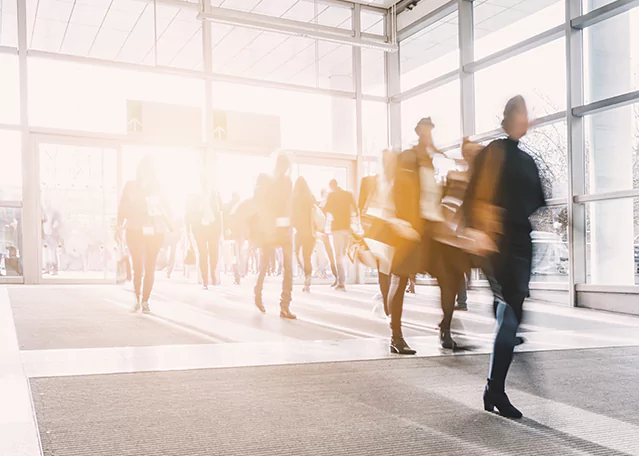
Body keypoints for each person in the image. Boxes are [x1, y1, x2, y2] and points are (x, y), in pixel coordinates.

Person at [464, 95, 545, 418]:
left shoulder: (526, 159)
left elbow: (537, 200)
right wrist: (480, 230)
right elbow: (474, 195)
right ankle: (495, 389)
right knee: (510, 312)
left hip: (521, 243)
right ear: (511, 117)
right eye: (523, 113)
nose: (527, 119)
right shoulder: (494, 152)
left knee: (511, 312)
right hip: (497, 243)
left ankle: (493, 388)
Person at [117, 156, 172, 313]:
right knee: (138, 267)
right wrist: (119, 225)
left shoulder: (159, 188)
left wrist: (170, 223)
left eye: (149, 169)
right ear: (139, 170)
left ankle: (146, 300)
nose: (146, 172)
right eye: (143, 169)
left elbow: (167, 208)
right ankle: (137, 298)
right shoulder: (131, 186)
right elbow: (122, 206)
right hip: (135, 230)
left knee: (149, 268)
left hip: (154, 231)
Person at [253, 153, 296, 319]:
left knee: (266, 266)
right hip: (281, 228)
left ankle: (259, 295)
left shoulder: (270, 181)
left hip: (272, 229)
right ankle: (284, 306)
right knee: (287, 268)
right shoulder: (282, 182)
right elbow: (287, 205)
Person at [186, 175, 223, 290]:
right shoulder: (193, 197)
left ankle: (212, 272)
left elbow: (221, 211)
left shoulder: (215, 195)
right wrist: (188, 229)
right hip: (199, 228)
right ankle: (205, 280)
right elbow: (188, 213)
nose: (204, 186)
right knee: (203, 253)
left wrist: (221, 229)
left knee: (214, 253)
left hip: (213, 228)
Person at [323, 179, 357, 291]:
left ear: (331, 186)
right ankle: (344, 278)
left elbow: (325, 209)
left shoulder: (331, 195)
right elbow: (355, 210)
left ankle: (341, 282)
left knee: (338, 255)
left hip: (336, 228)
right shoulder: (348, 194)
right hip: (347, 227)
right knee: (343, 253)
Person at [293, 176, 317, 293]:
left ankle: (305, 274)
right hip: (311, 233)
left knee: (297, 254)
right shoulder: (311, 198)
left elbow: (292, 217)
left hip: (300, 232)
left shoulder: (294, 199)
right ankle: (307, 280)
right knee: (307, 257)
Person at [318, 189, 338, 284]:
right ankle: (326, 273)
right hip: (323, 233)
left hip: (326, 233)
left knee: (330, 255)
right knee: (326, 255)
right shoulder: (320, 205)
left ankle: (335, 276)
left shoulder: (325, 205)